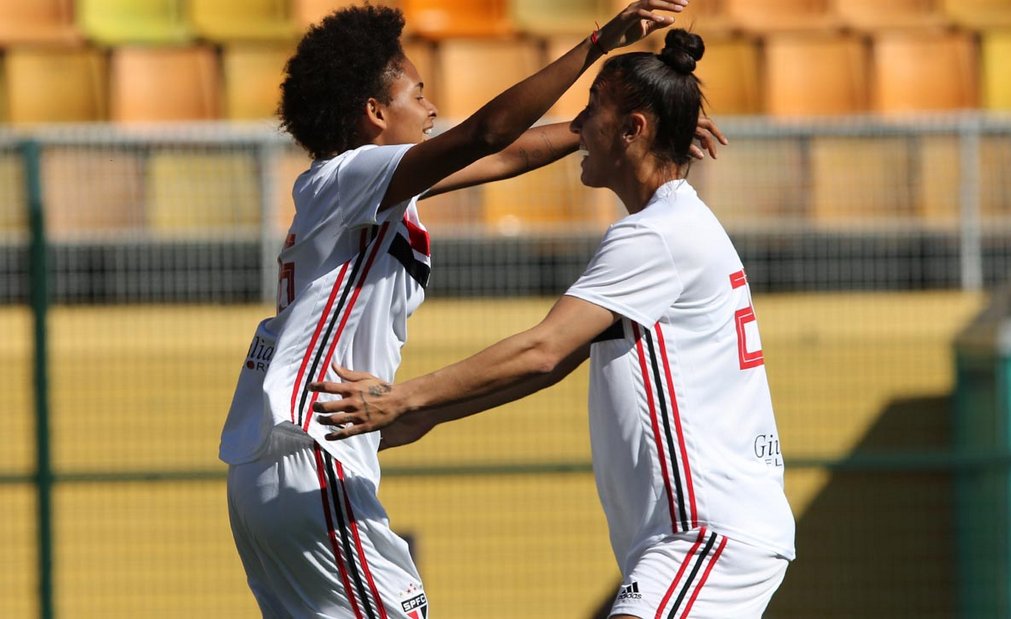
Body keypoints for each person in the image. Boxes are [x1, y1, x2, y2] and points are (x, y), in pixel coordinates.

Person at [218, 2, 701, 617]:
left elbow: (507, 156)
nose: (431, 109)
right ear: (374, 114)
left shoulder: (361, 189)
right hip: (312, 457)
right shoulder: (352, 176)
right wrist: (597, 44)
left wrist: (622, 130)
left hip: (269, 470)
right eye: (417, 94)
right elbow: (486, 135)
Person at [309, 28, 796, 619]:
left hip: (706, 530)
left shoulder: (656, 237)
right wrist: (428, 412)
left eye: (592, 111)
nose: (579, 126)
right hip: (700, 533)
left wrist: (402, 399)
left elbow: (543, 347)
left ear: (633, 129)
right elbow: (556, 364)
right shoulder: (668, 227)